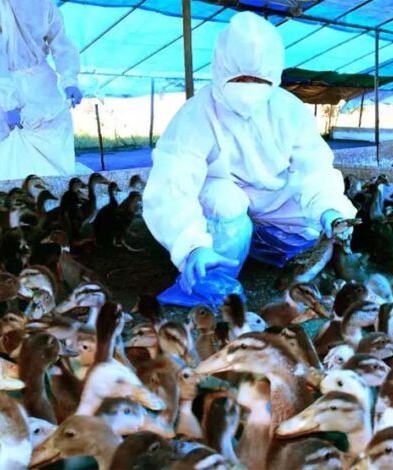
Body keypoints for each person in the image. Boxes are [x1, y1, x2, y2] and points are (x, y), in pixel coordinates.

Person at [142, 11, 357, 307]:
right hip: (223, 207)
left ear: (273, 75)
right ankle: (212, 273)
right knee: (225, 200)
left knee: (313, 221)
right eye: (239, 78)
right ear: (221, 70)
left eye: (258, 79)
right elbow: (172, 183)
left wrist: (329, 209)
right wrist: (190, 243)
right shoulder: (197, 113)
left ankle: (265, 248)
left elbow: (314, 167)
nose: (248, 88)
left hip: (274, 203)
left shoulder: (289, 110)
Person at [0, 0, 88, 184]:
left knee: (55, 139)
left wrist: (70, 80)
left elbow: (59, 39)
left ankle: (56, 191)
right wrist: (8, 103)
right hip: (3, 82)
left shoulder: (44, 3)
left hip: (42, 82)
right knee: (8, 151)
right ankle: (14, 194)